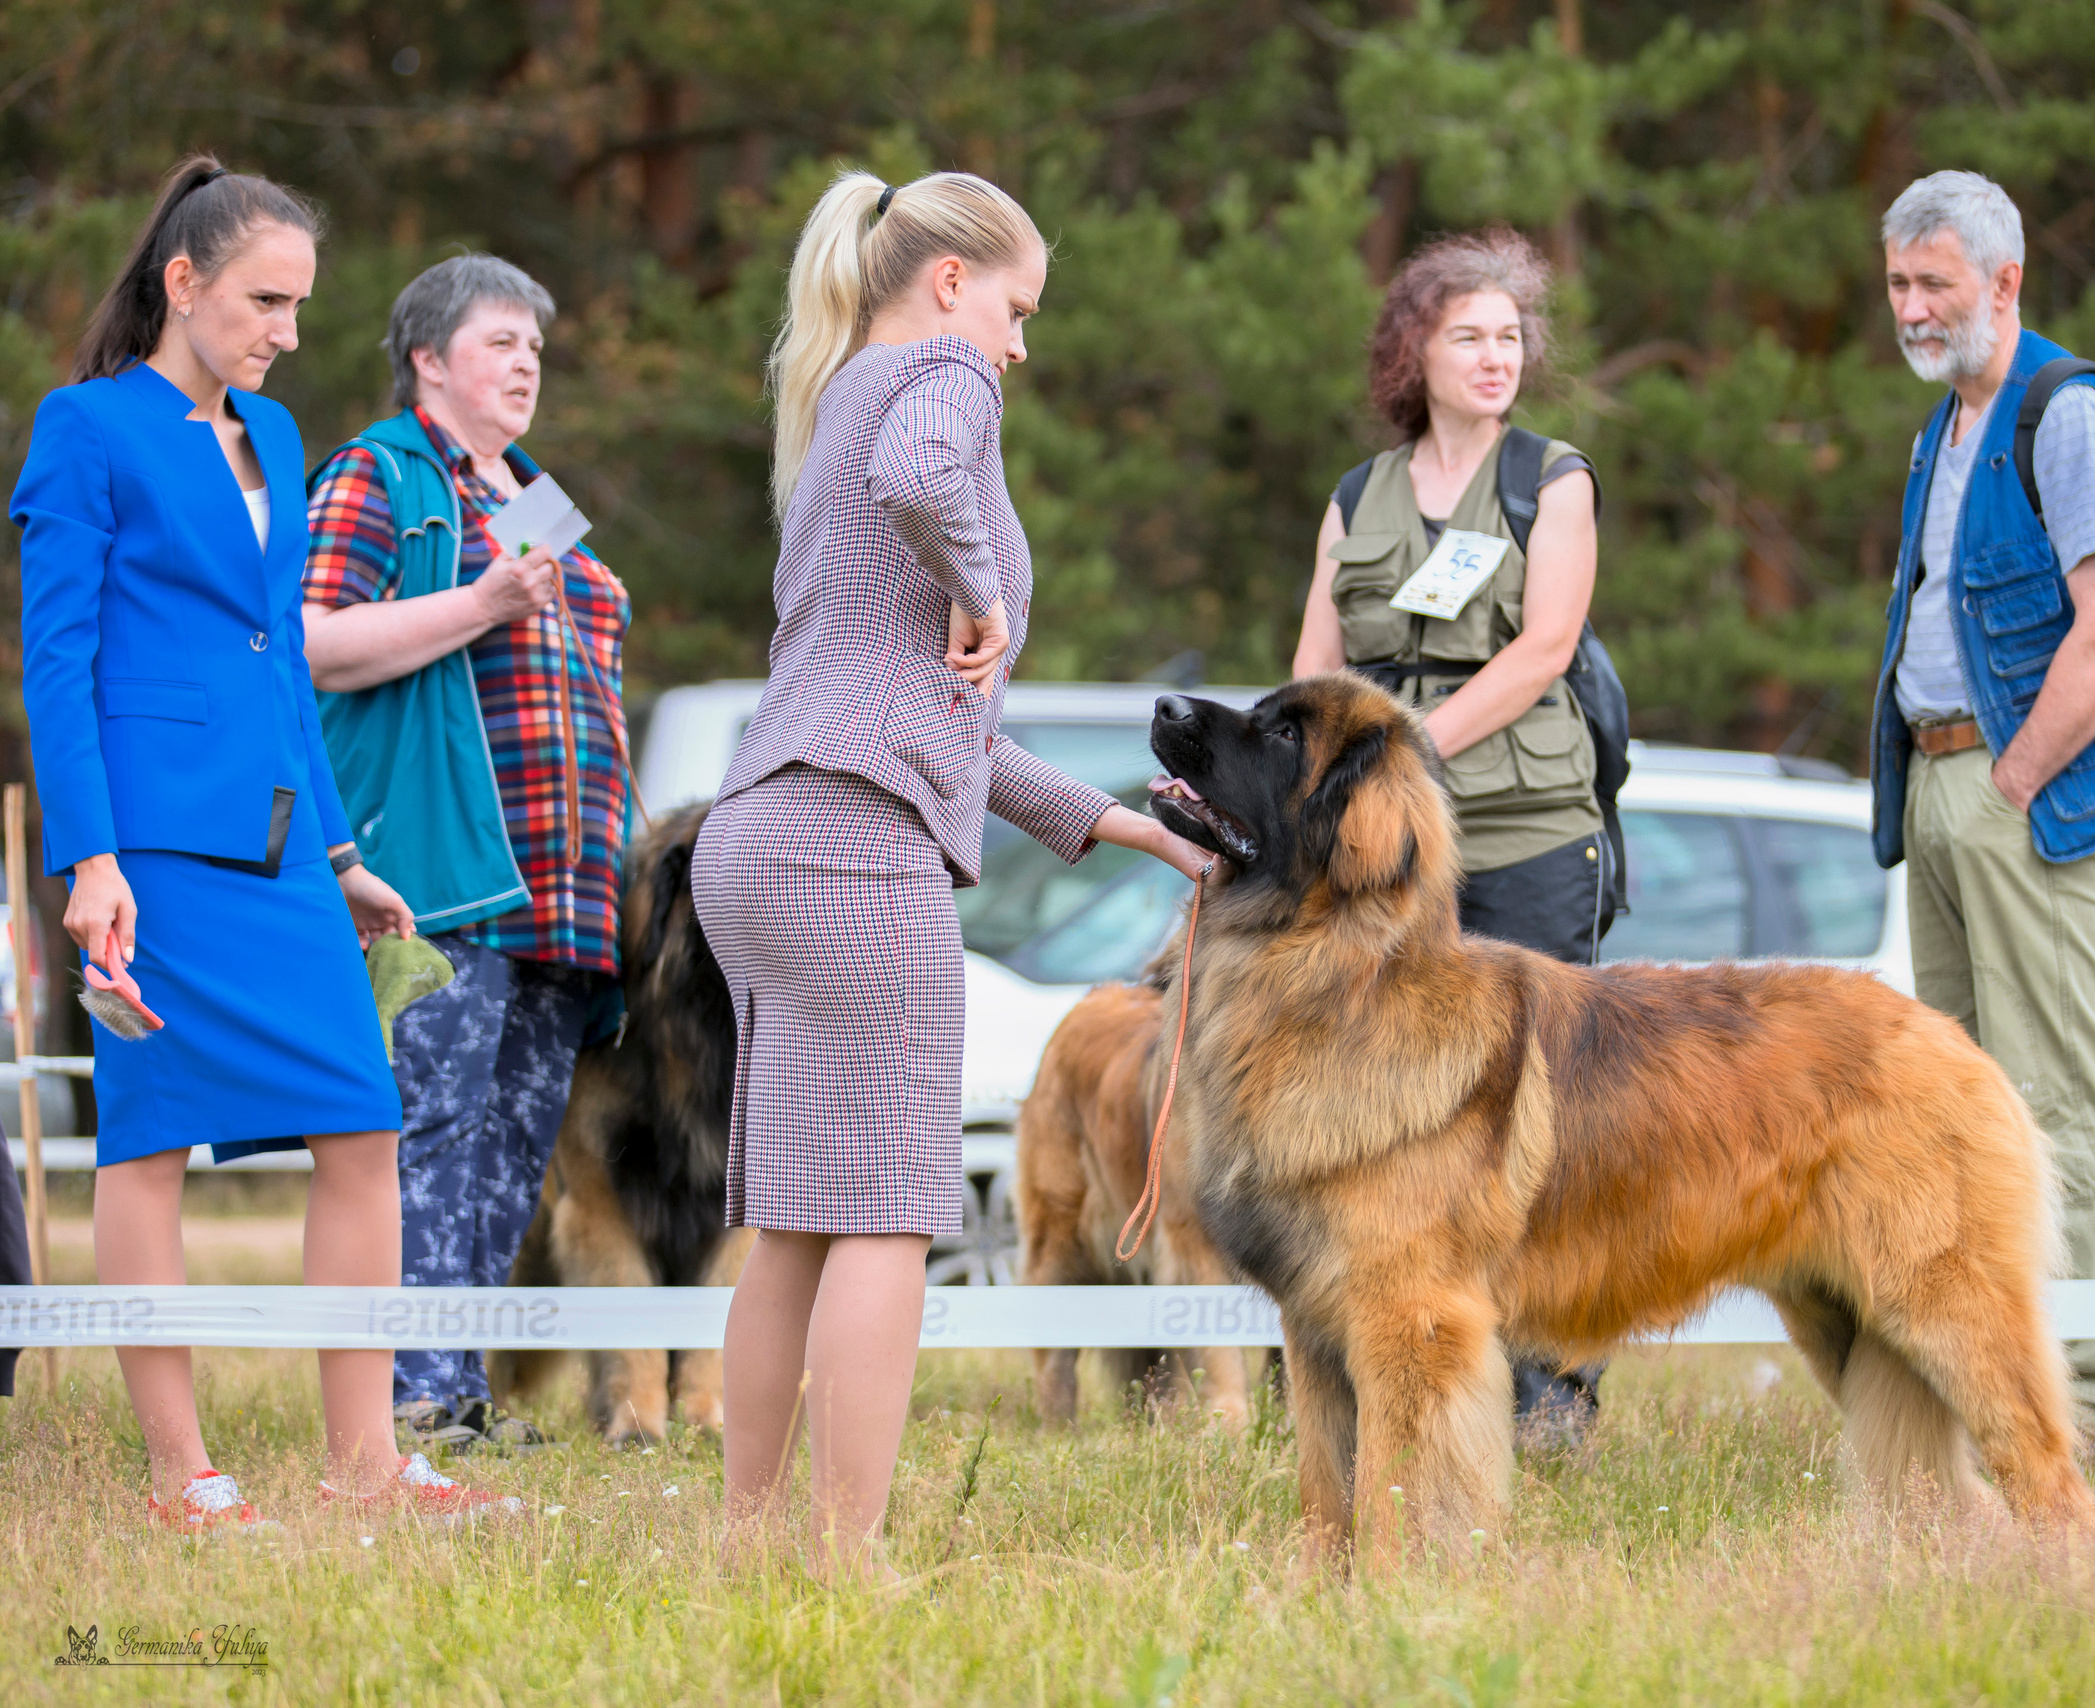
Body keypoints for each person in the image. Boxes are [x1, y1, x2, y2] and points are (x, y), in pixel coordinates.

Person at [693, 168, 1213, 1580]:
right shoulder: (939, 383)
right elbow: (933, 492)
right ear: (946, 283)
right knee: (885, 1213)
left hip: (754, 837)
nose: (1019, 346)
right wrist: (985, 588)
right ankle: (847, 1554)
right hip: (853, 847)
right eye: (1016, 307)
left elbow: (926, 709)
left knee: (797, 1218)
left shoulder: (832, 407)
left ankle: (747, 1544)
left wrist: (1127, 826)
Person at [10, 155, 510, 1526]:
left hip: (286, 848)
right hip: (150, 848)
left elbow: (282, 659)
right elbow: (56, 662)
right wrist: (88, 860)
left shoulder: (279, 443)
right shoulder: (83, 428)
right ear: (185, 283)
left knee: (365, 1125)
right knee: (147, 1144)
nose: (288, 331)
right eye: (265, 300)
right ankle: (183, 1475)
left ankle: (365, 1461)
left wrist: (345, 856)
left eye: (298, 303)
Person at [1868, 171, 2095, 1437]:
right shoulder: (1942, 421)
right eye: (1896, 284)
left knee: (2058, 1098)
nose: (1910, 308)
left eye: (1932, 283)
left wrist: (2008, 780)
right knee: (1950, 1105)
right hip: (1937, 785)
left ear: (2003, 282)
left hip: (2021, 792)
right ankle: (1980, 1383)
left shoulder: (2068, 411)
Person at [300, 253, 629, 1451]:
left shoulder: (541, 499)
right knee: (426, 1128)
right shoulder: (376, 475)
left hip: (567, 888)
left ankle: (457, 1386)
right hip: (439, 868)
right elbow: (312, 642)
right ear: (428, 359)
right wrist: (483, 603)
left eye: (535, 344)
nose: (527, 360)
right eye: (500, 340)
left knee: (507, 1150)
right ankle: (408, 1396)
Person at [1288, 227, 1608, 1435]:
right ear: (1412, 350)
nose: (1494, 356)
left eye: (1509, 337)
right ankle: (1394, 1361)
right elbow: (1314, 668)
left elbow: (1543, 650)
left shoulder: (1551, 477)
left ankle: (1554, 1392)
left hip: (1523, 831)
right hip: (1378, 858)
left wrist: (1403, 754)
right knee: (1383, 1106)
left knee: (1540, 1116)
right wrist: (1313, 794)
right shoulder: (1356, 497)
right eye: (1467, 335)